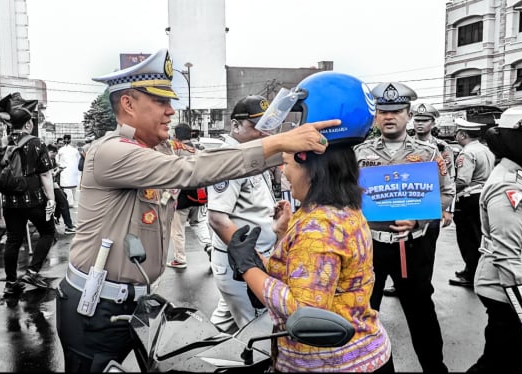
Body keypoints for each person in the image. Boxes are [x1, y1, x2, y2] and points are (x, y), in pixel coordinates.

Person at [55, 48, 339, 373]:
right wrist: (280, 143)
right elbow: (193, 168)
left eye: (170, 102)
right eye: (160, 102)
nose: (170, 112)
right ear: (128, 105)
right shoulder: (112, 152)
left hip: (135, 303)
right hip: (96, 308)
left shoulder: (157, 149)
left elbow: (222, 160)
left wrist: (294, 147)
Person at [226, 71, 393, 372]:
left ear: (311, 163)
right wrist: (281, 239)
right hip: (363, 354)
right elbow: (308, 277)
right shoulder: (339, 208)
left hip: (334, 365)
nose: (285, 175)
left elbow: (305, 312)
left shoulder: (320, 225)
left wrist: (248, 267)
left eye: (286, 164)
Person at [354, 81, 455, 373]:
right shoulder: (359, 154)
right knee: (365, 311)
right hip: (370, 245)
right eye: (383, 111)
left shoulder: (428, 153)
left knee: (421, 311)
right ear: (376, 116)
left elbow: (447, 193)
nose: (389, 117)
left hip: (412, 245)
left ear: (408, 115)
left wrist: (420, 218)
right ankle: (372, 366)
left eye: (396, 111)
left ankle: (435, 368)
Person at [207, 94, 276, 333]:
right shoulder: (230, 159)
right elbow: (217, 218)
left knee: (220, 328)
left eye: (267, 126)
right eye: (256, 126)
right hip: (241, 263)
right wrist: (250, 260)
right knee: (259, 332)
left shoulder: (251, 153)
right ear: (235, 125)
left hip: (243, 261)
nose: (263, 133)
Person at [467, 105, 522, 372]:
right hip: (506, 291)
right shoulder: (509, 186)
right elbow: (506, 257)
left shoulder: (518, 174)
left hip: (513, 286)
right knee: (501, 365)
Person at [384, 102, 456, 297]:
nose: (420, 124)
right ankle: (399, 283)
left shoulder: (441, 147)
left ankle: (423, 286)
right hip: (401, 206)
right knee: (396, 247)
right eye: (417, 120)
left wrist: (448, 210)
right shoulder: (402, 144)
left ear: (433, 123)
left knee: (424, 253)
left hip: (428, 208)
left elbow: (450, 179)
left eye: (425, 121)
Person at [0, 101, 56, 297]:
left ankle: (11, 282)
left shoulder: (1, 143)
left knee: (13, 240)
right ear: (28, 124)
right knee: (48, 232)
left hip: (9, 201)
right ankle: (32, 271)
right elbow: (46, 175)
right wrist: (52, 200)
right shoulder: (36, 143)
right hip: (34, 200)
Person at [448, 119, 495, 288]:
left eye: (458, 133)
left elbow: (463, 180)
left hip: (468, 198)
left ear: (463, 134)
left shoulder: (467, 153)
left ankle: (470, 273)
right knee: (479, 236)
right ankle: (474, 270)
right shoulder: (486, 149)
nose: (456, 135)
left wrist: (447, 188)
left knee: (468, 237)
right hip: (483, 195)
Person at [166, 122, 213, 269]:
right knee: (199, 223)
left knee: (177, 229)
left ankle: (180, 259)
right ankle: (209, 246)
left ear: (176, 136)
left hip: (182, 196)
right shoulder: (200, 149)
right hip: (200, 194)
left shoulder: (175, 149)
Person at [47, 143, 75, 234]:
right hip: (49, 186)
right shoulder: (45, 160)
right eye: (54, 154)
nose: (54, 156)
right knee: (63, 201)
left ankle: (57, 217)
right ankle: (69, 226)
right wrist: (58, 171)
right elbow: (49, 175)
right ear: (50, 152)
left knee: (64, 197)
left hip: (52, 185)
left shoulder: (49, 159)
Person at [57, 134, 81, 208]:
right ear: (70, 140)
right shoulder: (75, 150)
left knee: (66, 187)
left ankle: (69, 202)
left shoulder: (60, 150)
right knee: (72, 187)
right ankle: (73, 202)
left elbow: (57, 161)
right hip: (73, 171)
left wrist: (60, 166)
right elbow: (78, 159)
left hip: (64, 170)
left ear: (64, 140)